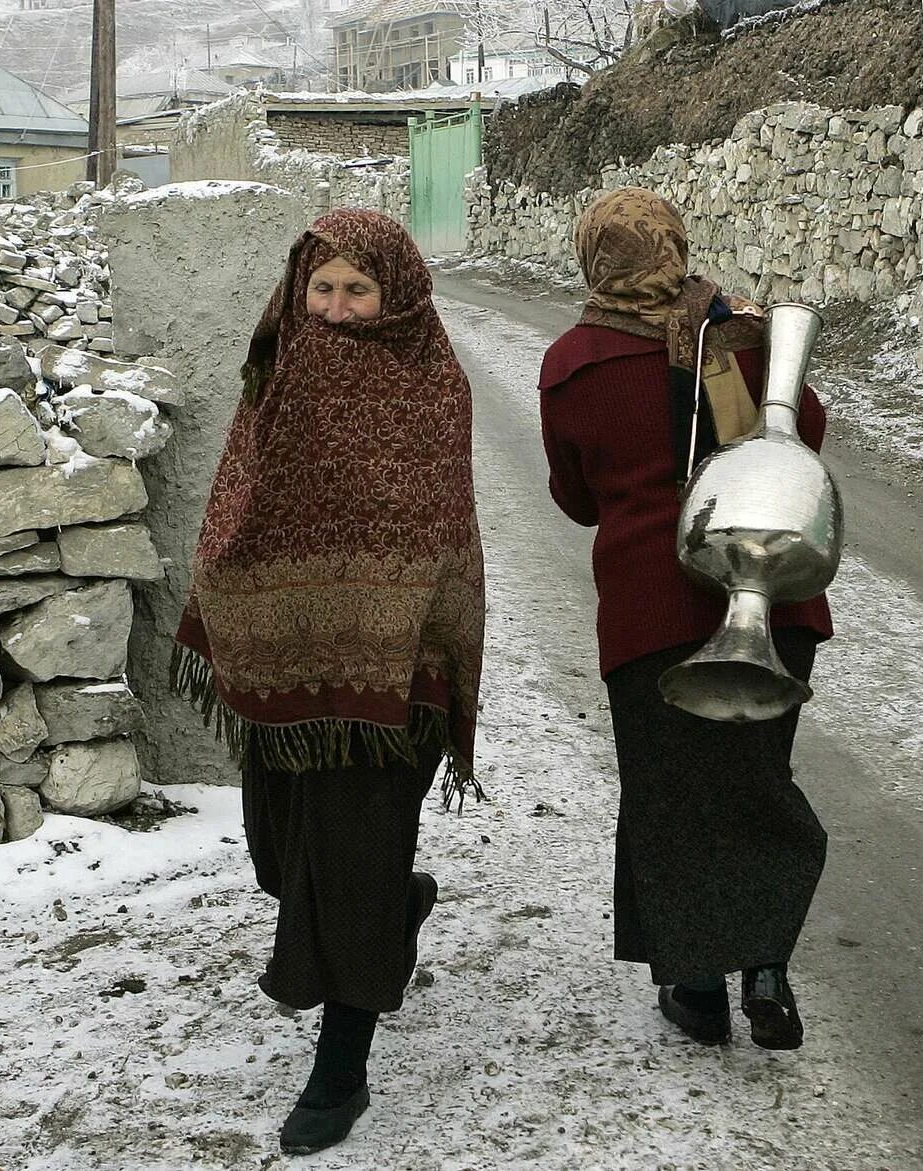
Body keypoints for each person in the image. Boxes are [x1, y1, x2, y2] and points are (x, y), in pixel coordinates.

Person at [172, 208, 485, 1155]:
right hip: (287, 663)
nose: (340, 311)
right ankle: (395, 906)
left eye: (360, 290)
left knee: (347, 863)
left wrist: (397, 626)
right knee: (283, 861)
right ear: (299, 290)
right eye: (324, 289)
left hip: (395, 674)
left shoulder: (431, 383)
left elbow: (438, 530)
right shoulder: (276, 374)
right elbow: (240, 499)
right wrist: (231, 598)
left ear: (396, 296)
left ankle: (339, 1067)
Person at [538, 187, 833, 1050]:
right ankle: (768, 964)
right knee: (754, 778)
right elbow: (803, 433)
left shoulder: (574, 363)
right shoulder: (735, 333)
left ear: (594, 257)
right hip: (777, 598)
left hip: (652, 610)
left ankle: (700, 990)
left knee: (672, 796)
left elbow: (576, 497)